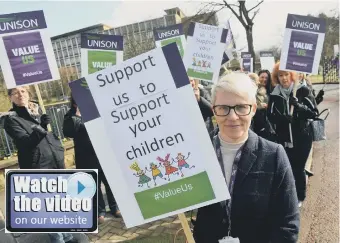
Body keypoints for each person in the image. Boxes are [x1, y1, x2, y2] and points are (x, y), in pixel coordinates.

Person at [193, 72, 299, 243]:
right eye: (223, 108)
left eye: (241, 107)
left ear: (253, 109)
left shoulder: (274, 156)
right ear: (214, 109)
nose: (232, 117)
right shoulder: (199, 154)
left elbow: (288, 226)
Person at [3, 87, 77, 243]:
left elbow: (48, 137)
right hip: (37, 167)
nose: (20, 94)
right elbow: (25, 143)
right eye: (15, 92)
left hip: (55, 164)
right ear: (10, 97)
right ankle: (58, 240)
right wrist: (42, 127)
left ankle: (68, 237)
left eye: (23, 91)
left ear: (29, 94)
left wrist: (57, 145)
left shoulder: (36, 111)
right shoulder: (12, 119)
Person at [63, 97, 121, 224]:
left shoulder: (96, 109)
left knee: (110, 182)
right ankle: (100, 211)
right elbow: (68, 132)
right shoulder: (70, 115)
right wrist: (77, 115)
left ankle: (114, 207)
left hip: (104, 153)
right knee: (94, 185)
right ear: (74, 101)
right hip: (86, 156)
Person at [268, 62, 319, 207]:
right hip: (284, 138)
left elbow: (313, 113)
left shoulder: (302, 90)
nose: (284, 78)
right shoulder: (275, 93)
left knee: (298, 167)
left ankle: (300, 196)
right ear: (276, 77)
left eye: (286, 74)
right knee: (287, 167)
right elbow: (270, 116)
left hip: (302, 136)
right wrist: (283, 119)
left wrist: (298, 106)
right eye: (280, 75)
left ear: (291, 75)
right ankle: (290, 194)